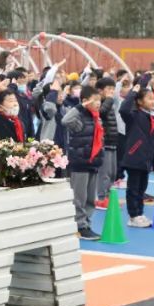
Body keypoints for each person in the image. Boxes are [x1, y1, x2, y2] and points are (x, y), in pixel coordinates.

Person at [61, 85, 104, 240]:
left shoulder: (96, 117)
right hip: (79, 163)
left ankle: (86, 223)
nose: (98, 103)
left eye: (99, 100)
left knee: (90, 198)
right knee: (79, 197)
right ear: (85, 101)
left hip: (93, 162)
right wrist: (80, 107)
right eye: (95, 100)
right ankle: (80, 225)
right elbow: (65, 120)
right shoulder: (78, 118)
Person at [120, 78, 154, 228]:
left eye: (153, 98)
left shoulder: (151, 117)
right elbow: (123, 109)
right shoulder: (134, 116)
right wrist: (133, 92)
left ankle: (140, 213)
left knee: (142, 188)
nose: (153, 101)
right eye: (149, 98)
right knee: (133, 189)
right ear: (139, 102)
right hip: (134, 158)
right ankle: (133, 216)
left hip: (145, 159)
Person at [93, 77, 120, 206]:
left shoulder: (110, 103)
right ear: (100, 91)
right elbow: (101, 113)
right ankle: (101, 197)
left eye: (113, 89)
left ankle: (109, 197)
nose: (111, 92)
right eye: (109, 89)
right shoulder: (99, 102)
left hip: (112, 141)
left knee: (113, 172)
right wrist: (109, 99)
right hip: (104, 142)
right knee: (104, 172)